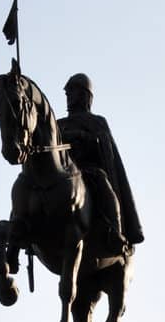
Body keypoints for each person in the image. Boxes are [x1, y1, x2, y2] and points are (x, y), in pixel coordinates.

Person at [61, 73, 143, 260]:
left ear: (84, 96)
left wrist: (82, 137)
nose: (69, 97)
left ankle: (116, 232)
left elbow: (104, 145)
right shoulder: (59, 124)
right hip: (63, 174)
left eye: (72, 93)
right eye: (67, 94)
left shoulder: (97, 121)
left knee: (104, 187)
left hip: (88, 171)